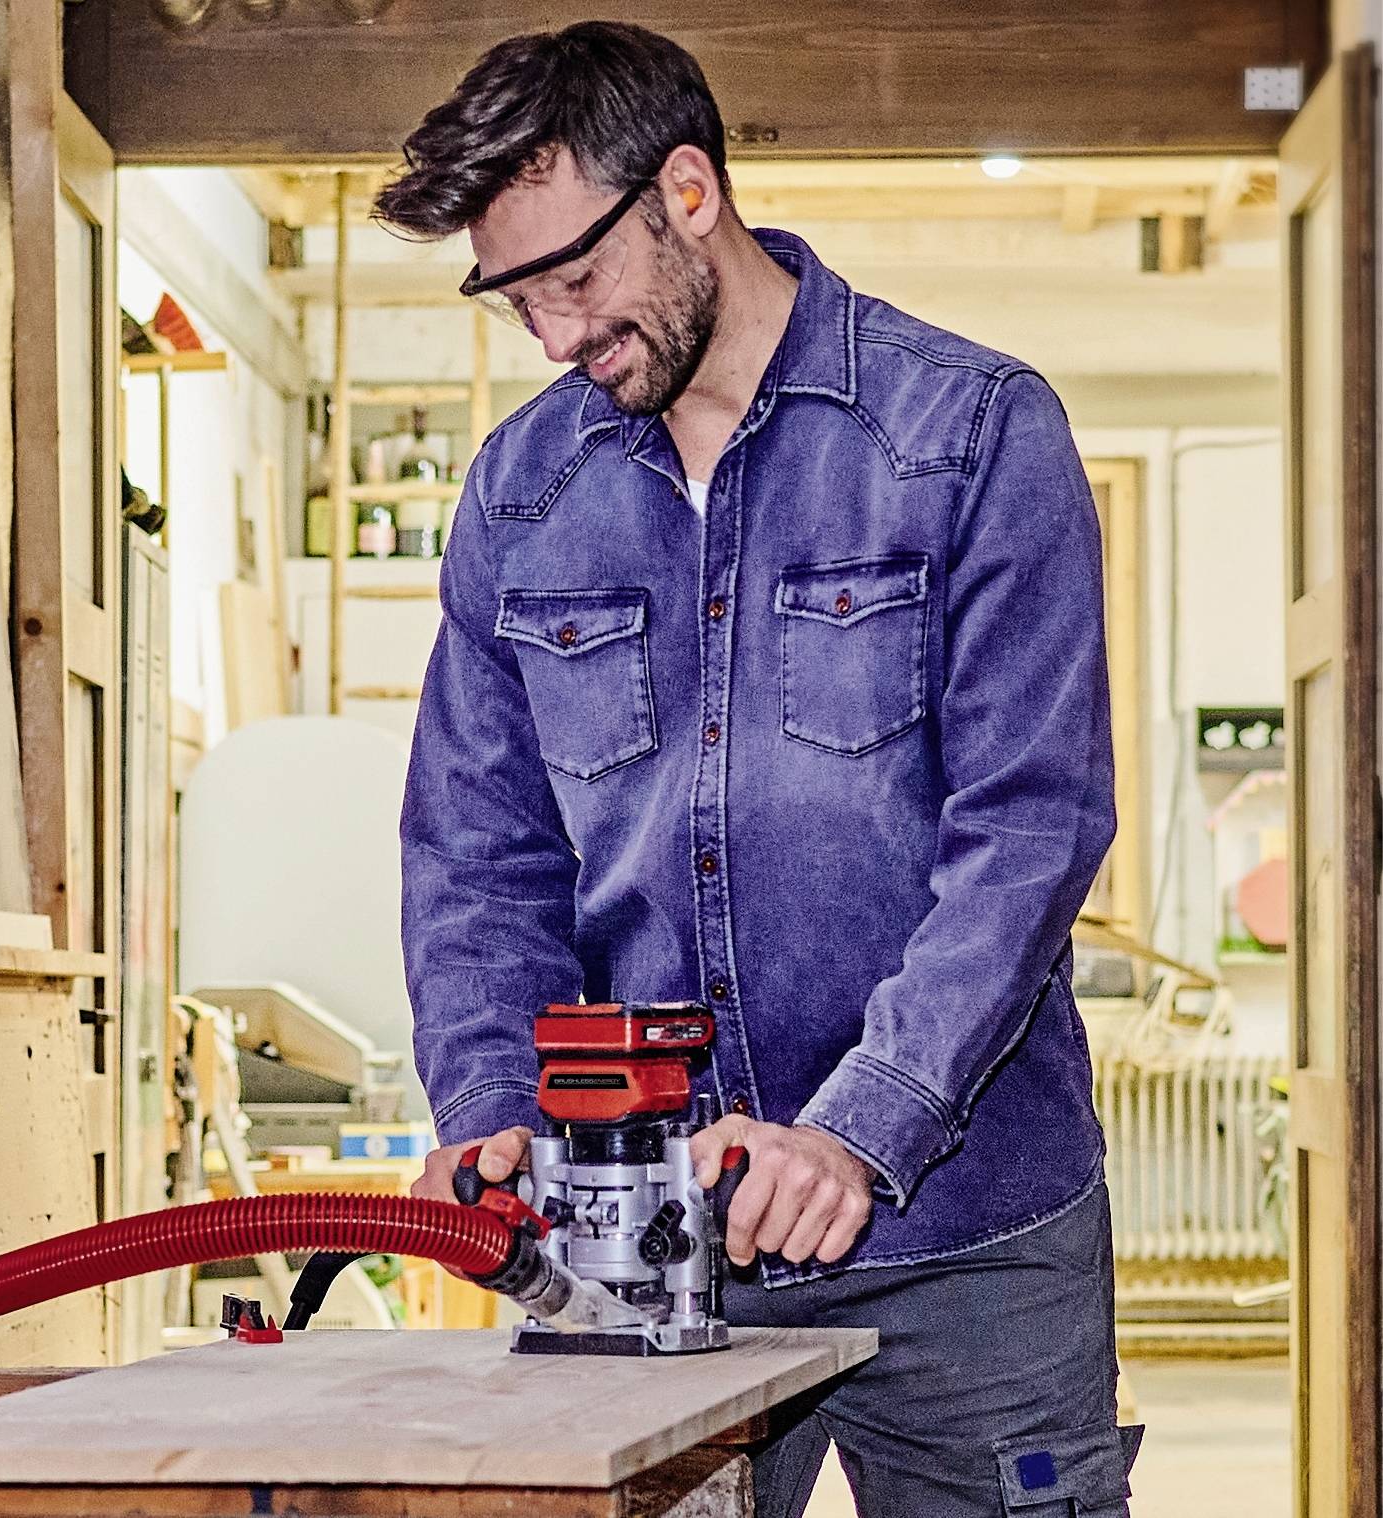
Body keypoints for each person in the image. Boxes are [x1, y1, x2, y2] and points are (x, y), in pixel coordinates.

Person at [381, 21, 1140, 1517]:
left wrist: (860, 1124)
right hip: (640, 1239)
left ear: (687, 192)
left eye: (575, 279)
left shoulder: (972, 434)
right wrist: (489, 1101)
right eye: (514, 297)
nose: (551, 337)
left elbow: (1029, 829)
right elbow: (478, 851)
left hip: (969, 1232)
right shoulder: (524, 494)